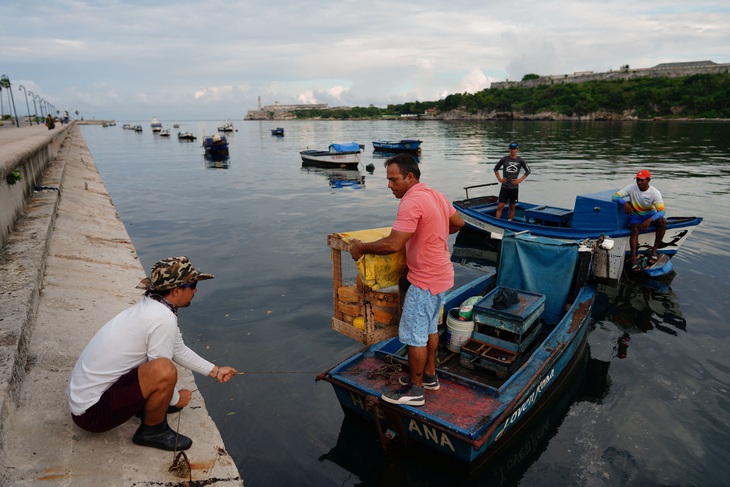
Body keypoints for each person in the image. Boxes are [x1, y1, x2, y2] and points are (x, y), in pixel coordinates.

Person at [66, 256, 237, 451]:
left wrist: (215, 371)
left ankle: (148, 408)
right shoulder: (162, 318)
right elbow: (160, 370)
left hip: (88, 403)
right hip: (93, 415)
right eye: (193, 284)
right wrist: (175, 399)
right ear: (177, 290)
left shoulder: (153, 306)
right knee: (165, 369)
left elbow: (177, 348)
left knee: (161, 367)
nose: (196, 290)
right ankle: (153, 430)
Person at [349, 154, 464, 407]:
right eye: (388, 180)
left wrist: (361, 248)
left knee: (414, 336)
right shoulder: (435, 195)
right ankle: (430, 377)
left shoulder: (411, 201)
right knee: (431, 328)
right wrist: (431, 234)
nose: (389, 185)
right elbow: (458, 223)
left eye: (393, 180)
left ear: (410, 177)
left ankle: (416, 390)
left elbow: (393, 243)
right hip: (442, 274)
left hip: (424, 280)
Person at [612, 169, 667, 271]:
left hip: (650, 215)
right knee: (635, 229)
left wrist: (650, 220)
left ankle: (654, 251)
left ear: (648, 180)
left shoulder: (655, 192)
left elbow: (662, 211)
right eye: (637, 180)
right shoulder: (631, 188)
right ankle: (633, 259)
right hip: (636, 216)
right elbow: (615, 196)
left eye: (642, 180)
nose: (639, 182)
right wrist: (624, 203)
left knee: (663, 222)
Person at [493, 142, 531, 220]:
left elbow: (528, 171)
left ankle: (510, 221)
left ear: (517, 150)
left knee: (512, 206)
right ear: (509, 149)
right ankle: (496, 221)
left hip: (514, 187)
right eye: (511, 149)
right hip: (505, 187)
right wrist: (500, 179)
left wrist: (519, 180)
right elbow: (496, 169)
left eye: (514, 149)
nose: (513, 150)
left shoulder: (521, 160)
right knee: (500, 206)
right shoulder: (504, 159)